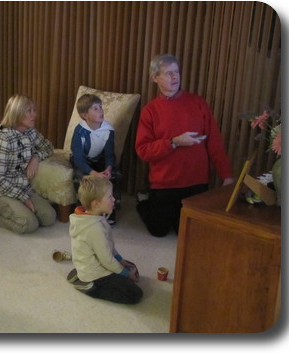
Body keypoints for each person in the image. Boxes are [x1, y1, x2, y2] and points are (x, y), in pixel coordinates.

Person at [135, 54, 234, 237]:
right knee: (159, 231)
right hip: (164, 183)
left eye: (177, 72)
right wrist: (173, 142)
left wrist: (226, 175)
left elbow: (215, 142)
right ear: (155, 78)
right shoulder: (150, 111)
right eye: (168, 73)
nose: (175, 77)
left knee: (187, 232)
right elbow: (143, 151)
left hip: (196, 182)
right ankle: (144, 202)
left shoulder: (198, 103)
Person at [0, 94, 56, 234]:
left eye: (34, 110)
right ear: (17, 112)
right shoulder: (2, 139)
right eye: (29, 111)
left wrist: (35, 158)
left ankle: (19, 208)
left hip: (22, 187)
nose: (34, 114)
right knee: (29, 224)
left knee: (49, 217)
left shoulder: (29, 132)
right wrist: (24, 198)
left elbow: (48, 146)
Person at [67, 175, 143, 304]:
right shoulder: (94, 228)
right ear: (96, 204)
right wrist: (125, 274)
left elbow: (109, 247)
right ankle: (88, 286)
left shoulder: (94, 216)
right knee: (135, 294)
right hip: (96, 273)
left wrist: (122, 261)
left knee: (131, 266)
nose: (114, 199)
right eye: (109, 197)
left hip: (95, 262)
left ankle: (80, 272)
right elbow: (107, 260)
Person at [70, 94, 120, 225]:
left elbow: (109, 154)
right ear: (84, 115)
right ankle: (83, 210)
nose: (101, 111)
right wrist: (94, 173)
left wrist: (108, 169)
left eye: (101, 107)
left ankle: (110, 211)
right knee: (80, 177)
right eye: (95, 109)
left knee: (115, 176)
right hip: (82, 161)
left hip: (99, 159)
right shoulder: (80, 131)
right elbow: (78, 158)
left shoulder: (108, 129)